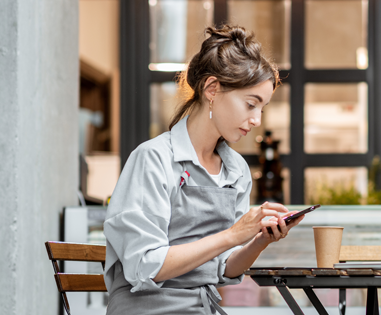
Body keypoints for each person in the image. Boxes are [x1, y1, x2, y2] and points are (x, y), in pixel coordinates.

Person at [103, 25, 301, 314]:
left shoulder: (236, 171)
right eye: (250, 104)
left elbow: (224, 267)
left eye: (263, 108)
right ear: (212, 89)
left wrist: (257, 241)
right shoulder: (154, 158)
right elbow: (145, 265)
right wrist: (232, 235)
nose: (257, 119)